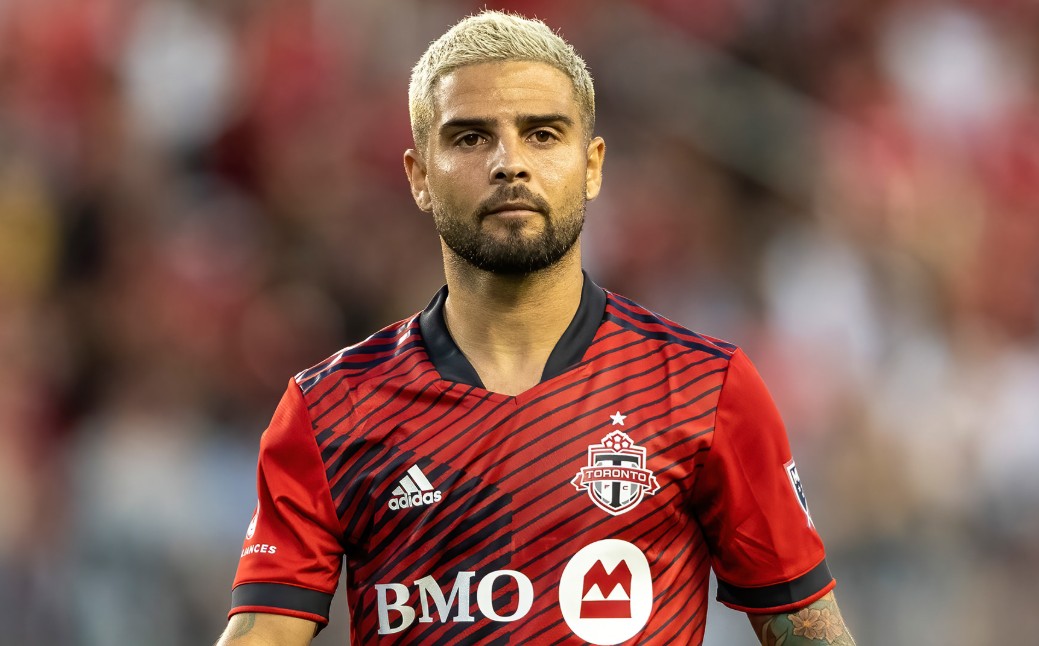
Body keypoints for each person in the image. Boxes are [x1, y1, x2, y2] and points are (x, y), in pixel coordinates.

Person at [216, 10, 857, 646]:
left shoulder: (707, 389)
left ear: (593, 165)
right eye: (471, 138)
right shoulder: (329, 409)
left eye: (543, 134)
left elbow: (810, 633)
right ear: (419, 177)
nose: (509, 163)